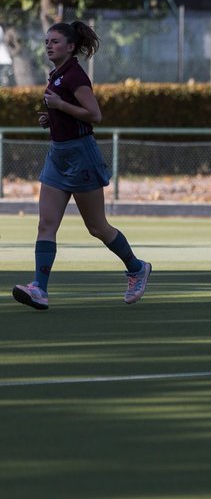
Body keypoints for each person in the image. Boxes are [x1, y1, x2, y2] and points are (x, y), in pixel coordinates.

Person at [12, 20, 153, 311]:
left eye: (55, 41)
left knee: (97, 226)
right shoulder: (57, 75)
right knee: (46, 224)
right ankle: (39, 288)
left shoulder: (75, 76)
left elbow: (94, 115)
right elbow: (66, 112)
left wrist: (61, 108)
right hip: (58, 154)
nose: (49, 45)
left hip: (81, 156)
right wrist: (52, 119)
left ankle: (137, 268)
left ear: (71, 46)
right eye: (47, 41)